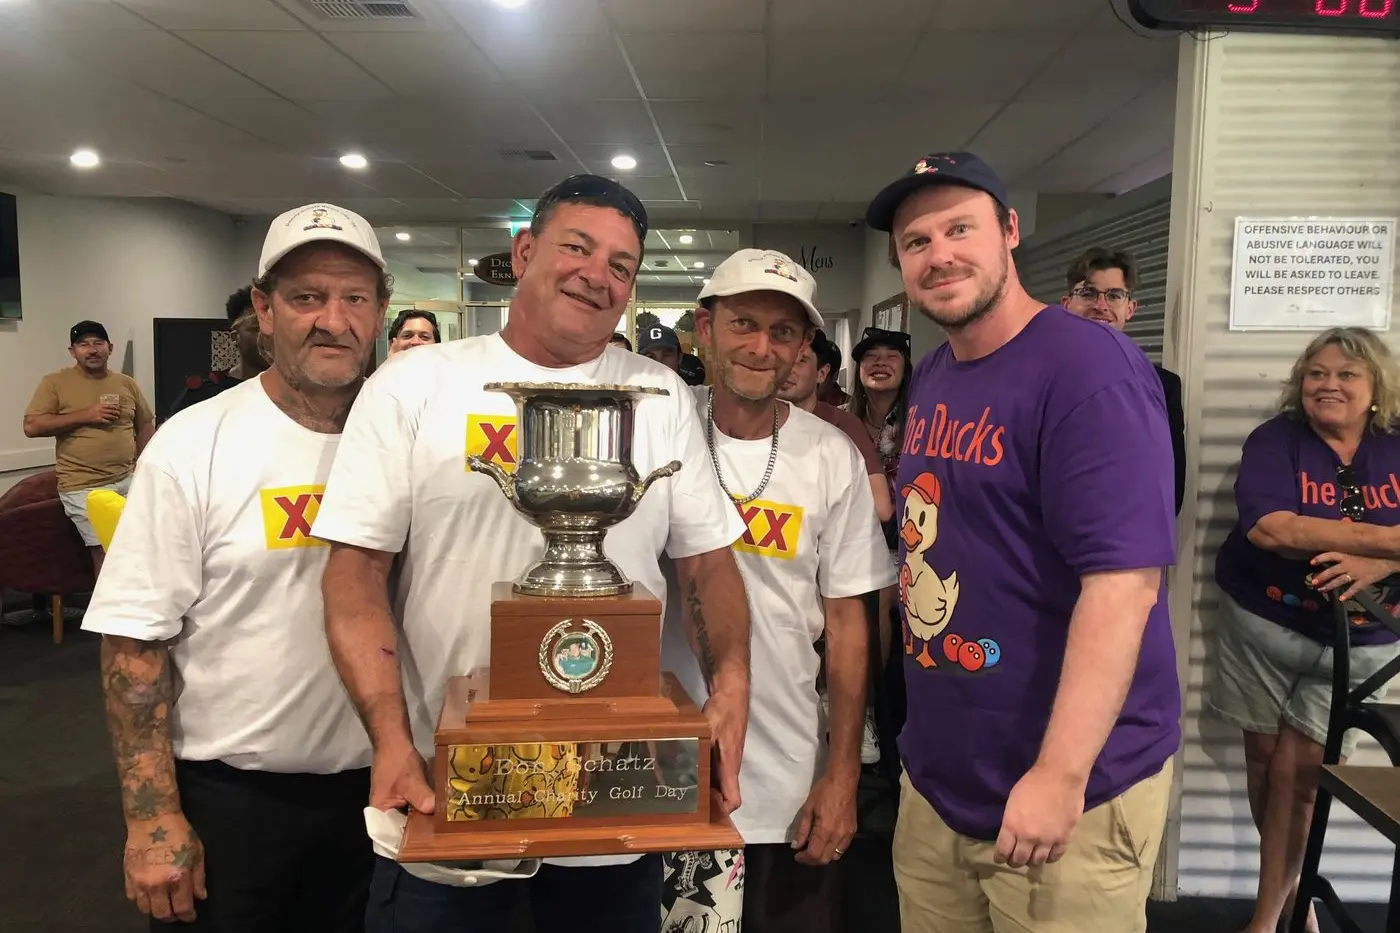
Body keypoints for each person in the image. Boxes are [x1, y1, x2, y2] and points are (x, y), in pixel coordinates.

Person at [309, 174, 752, 933]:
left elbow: (709, 564)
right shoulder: (413, 383)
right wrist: (389, 739)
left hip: (614, 802)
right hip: (449, 797)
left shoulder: (661, 393)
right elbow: (355, 572)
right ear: (524, 251)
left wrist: (732, 687)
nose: (597, 274)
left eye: (621, 264)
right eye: (577, 247)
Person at [865, 150, 1180, 933]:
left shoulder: (1088, 370)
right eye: (916, 241)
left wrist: (1059, 772)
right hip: (941, 781)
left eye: (958, 228)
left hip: (1068, 791)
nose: (939, 254)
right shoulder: (935, 373)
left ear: (1008, 231)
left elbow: (1124, 586)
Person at [79, 202, 391, 931]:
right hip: (236, 804)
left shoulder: (406, 437)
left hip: (386, 794)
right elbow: (133, 641)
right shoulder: (195, 445)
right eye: (306, 296)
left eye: (353, 298)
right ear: (264, 309)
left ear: (379, 311)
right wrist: (153, 825)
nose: (332, 319)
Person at [660, 249, 894, 933]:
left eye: (784, 332)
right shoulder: (655, 432)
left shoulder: (829, 455)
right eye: (743, 324)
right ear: (705, 328)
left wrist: (843, 772)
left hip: (785, 778)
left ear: (803, 349)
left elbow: (850, 627)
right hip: (653, 769)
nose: (762, 347)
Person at [1210, 327, 1400, 933]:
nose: (1329, 384)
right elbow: (1270, 528)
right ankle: (1295, 901)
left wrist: (1385, 563)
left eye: (1346, 374)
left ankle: (1267, 920)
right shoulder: (1276, 439)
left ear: (1375, 388)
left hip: (1360, 645)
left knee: (1298, 778)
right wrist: (1393, 540)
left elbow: (1300, 527)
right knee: (1264, 762)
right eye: (1317, 372)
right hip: (1262, 624)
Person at [780, 327, 894, 765]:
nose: (788, 369)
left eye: (802, 361)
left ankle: (856, 706)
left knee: (873, 595)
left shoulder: (839, 425)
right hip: (786, 546)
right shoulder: (744, 422)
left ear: (822, 372)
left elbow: (881, 508)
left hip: (842, 542)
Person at [23, 320, 156, 575]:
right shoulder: (55, 383)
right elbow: (32, 426)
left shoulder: (126, 384)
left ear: (110, 348)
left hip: (128, 481)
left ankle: (141, 608)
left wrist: (144, 468)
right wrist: (85, 415)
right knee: (106, 549)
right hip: (84, 486)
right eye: (83, 344)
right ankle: (109, 613)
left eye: (98, 343)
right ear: (73, 351)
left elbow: (145, 425)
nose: (92, 349)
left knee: (146, 545)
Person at [1062, 247, 1186, 515]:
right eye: (1088, 293)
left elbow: (1170, 492)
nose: (1101, 306)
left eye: (1115, 295)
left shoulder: (1163, 387)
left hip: (1123, 544)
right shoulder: (1035, 378)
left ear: (1130, 309)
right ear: (1066, 305)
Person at [167, 288, 271, 419]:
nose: (268, 334)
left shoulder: (295, 393)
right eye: (255, 328)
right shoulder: (202, 397)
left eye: (274, 326)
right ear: (235, 337)